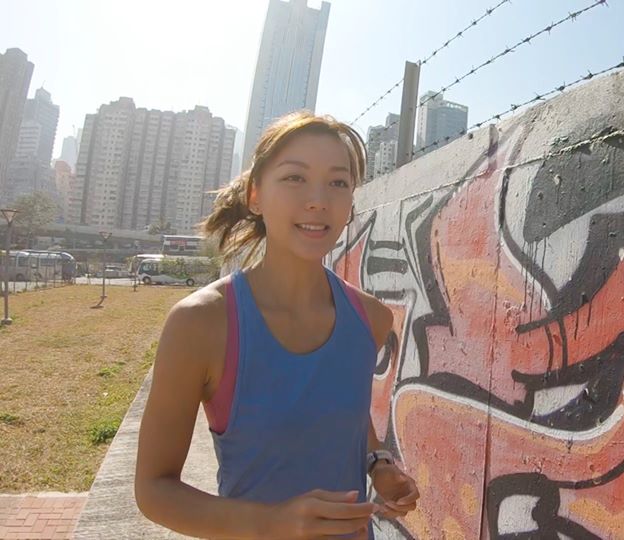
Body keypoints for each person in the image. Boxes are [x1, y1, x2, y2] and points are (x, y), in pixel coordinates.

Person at [135, 112, 419, 539]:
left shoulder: (371, 319)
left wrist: (378, 464)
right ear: (255, 195)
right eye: (294, 178)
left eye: (337, 182)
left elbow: (346, 414)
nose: (318, 200)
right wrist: (270, 523)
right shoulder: (201, 323)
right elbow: (154, 489)